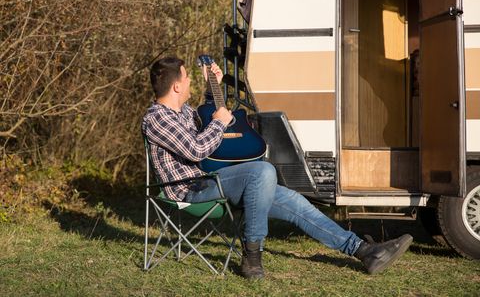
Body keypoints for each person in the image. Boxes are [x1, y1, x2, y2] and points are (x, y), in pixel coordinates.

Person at [142, 57, 413, 279]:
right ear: (176, 86)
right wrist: (219, 123)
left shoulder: (185, 113)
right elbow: (197, 149)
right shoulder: (156, 118)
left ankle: (364, 251)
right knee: (262, 172)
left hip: (214, 182)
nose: (189, 81)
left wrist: (213, 84)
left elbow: (210, 122)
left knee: (293, 200)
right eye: (187, 77)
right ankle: (252, 255)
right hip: (191, 191)